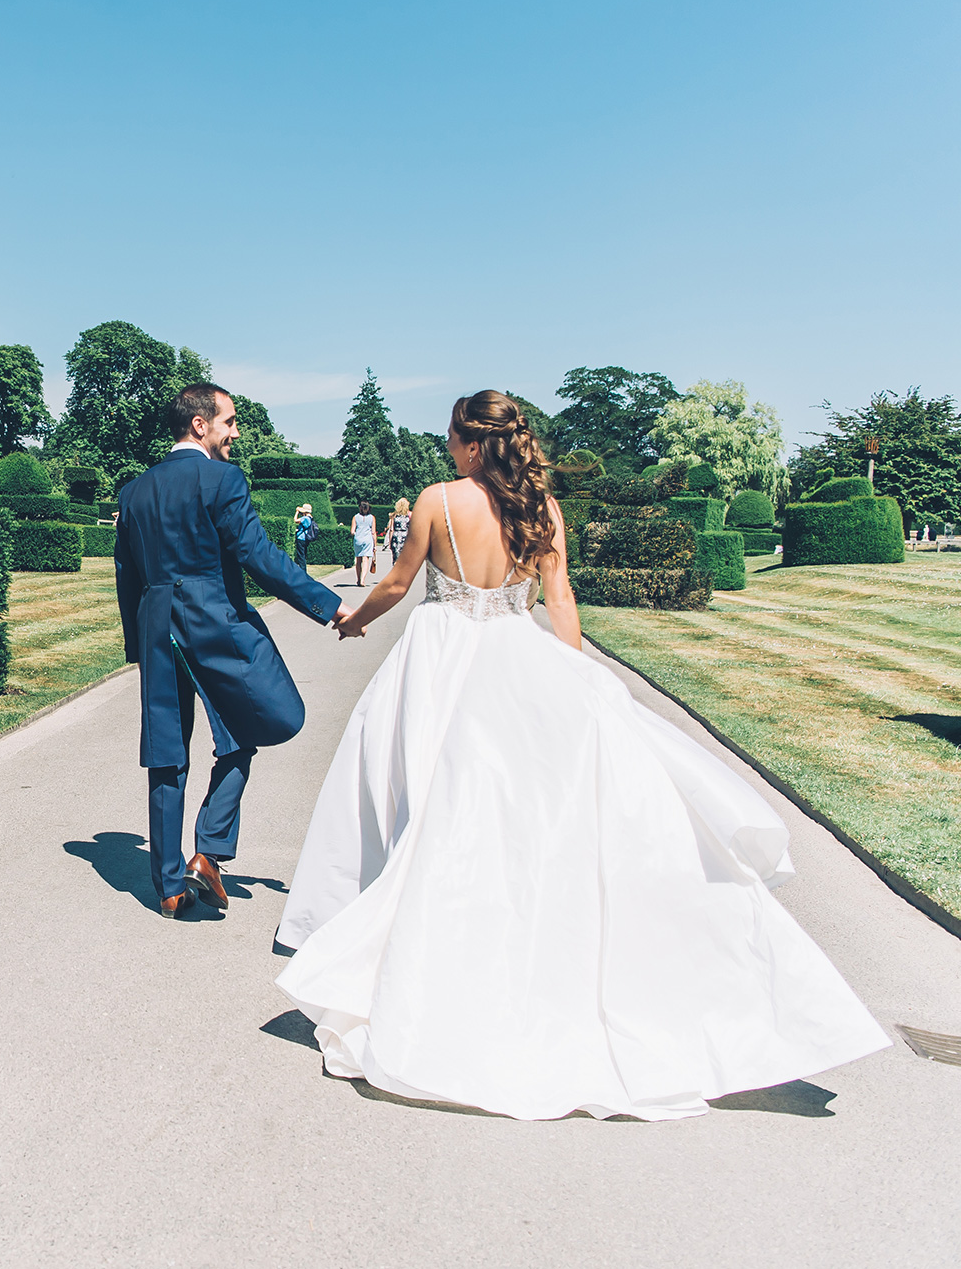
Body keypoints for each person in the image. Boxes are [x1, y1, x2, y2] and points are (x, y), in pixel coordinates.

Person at [275, 390, 887, 1119]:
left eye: (452, 438)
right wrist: (573, 676)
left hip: (440, 658)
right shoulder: (545, 509)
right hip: (517, 656)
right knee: (512, 812)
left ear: (473, 442)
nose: (447, 449)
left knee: (428, 799)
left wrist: (354, 622)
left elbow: (401, 583)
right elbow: (559, 599)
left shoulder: (437, 500)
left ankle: (423, 946)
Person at [115, 385, 357, 918]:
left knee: (165, 754)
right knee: (258, 725)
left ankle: (169, 886)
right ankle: (210, 848)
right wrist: (330, 607)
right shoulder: (222, 478)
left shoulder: (133, 491)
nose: (236, 432)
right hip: (214, 621)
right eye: (229, 421)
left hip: (157, 626)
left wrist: (138, 647)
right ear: (200, 425)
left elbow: (127, 576)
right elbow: (258, 554)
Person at [351, 502, 376, 582]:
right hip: (368, 539)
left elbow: (352, 531)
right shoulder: (372, 518)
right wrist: (375, 545)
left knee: (358, 560)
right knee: (365, 559)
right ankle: (362, 579)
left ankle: (358, 579)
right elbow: (373, 532)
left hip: (358, 539)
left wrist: (357, 534)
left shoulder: (355, 517)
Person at [386, 497, 411, 566]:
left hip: (396, 537)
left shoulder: (394, 515)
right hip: (406, 537)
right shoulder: (410, 515)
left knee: (396, 558)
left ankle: (396, 572)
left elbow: (391, 529)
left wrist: (390, 542)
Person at [291, 503, 317, 568]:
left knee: (301, 557)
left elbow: (295, 520)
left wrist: (297, 512)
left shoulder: (305, 518)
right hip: (306, 539)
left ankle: (302, 572)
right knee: (303, 555)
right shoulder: (310, 518)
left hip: (301, 538)